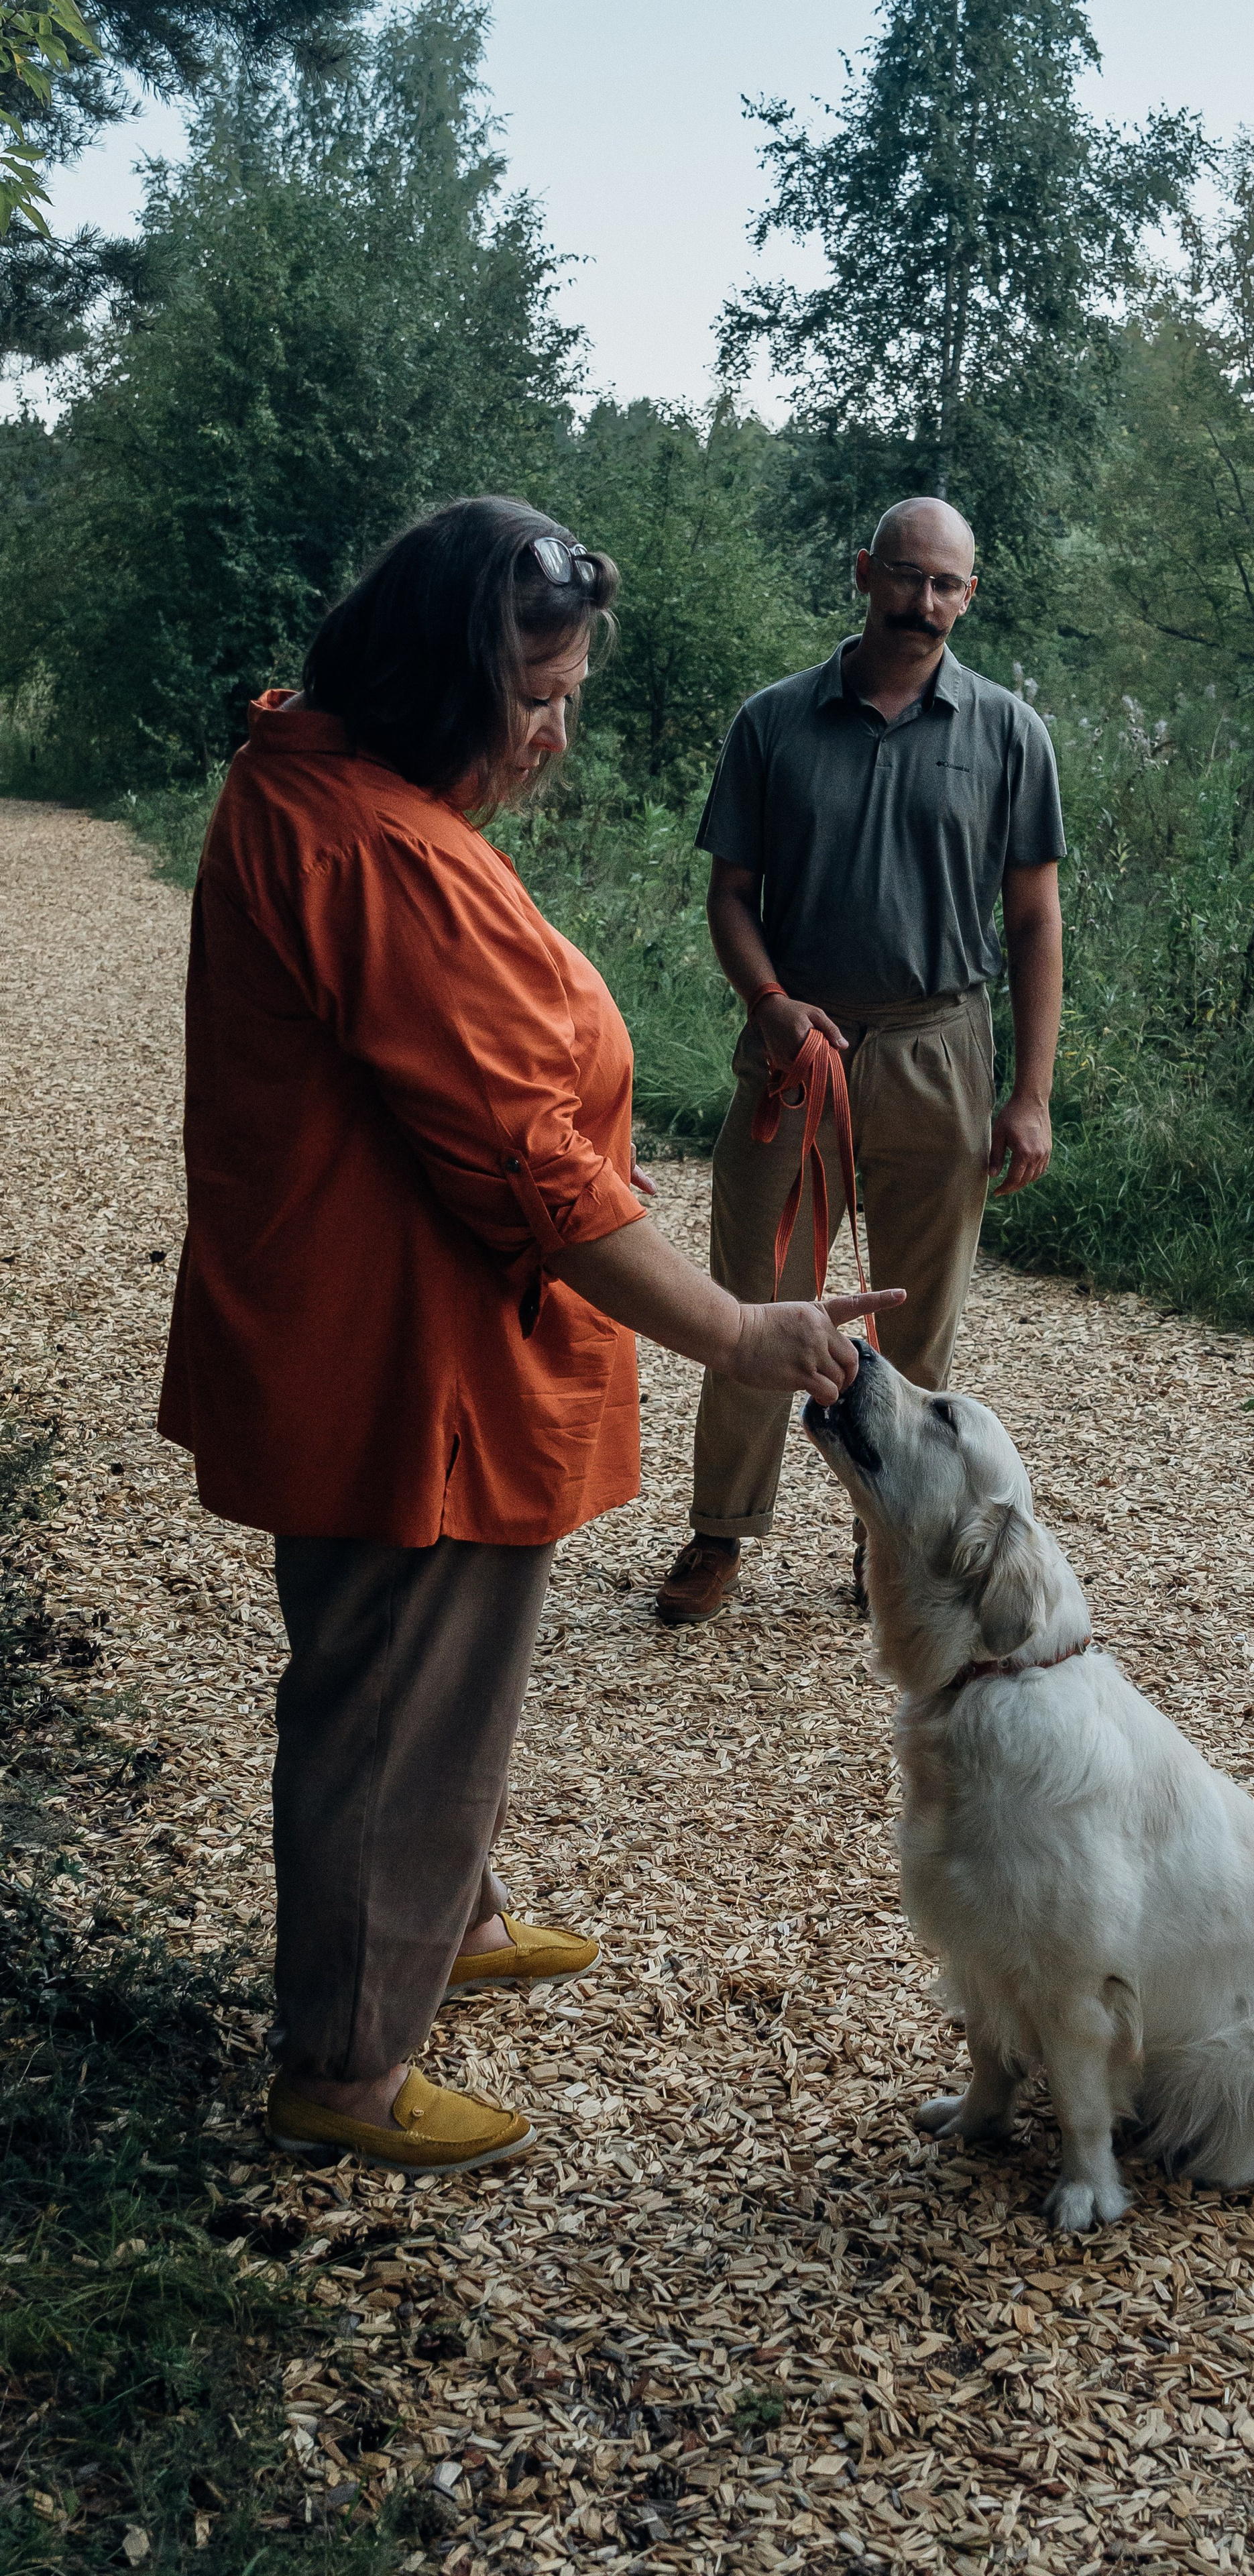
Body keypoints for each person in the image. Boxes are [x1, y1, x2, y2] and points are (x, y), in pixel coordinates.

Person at [158, 497, 900, 2174]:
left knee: (443, 1666)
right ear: (438, 680)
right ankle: (343, 2067)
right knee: (390, 1692)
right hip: (395, 1351)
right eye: (535, 698)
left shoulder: (338, 781)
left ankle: (449, 1919)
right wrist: (735, 1327)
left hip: (411, 1334)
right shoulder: (368, 844)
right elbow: (536, 1174)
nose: (554, 733)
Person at [654, 496, 1065, 1626]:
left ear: (969, 596)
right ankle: (720, 1531)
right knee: (755, 1297)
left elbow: (1034, 919)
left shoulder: (1007, 731)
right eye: (905, 576)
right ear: (864, 573)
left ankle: (886, 1540)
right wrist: (773, 1003)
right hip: (798, 1052)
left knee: (917, 1320)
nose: (923, 602)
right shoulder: (776, 722)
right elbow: (730, 896)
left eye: (946, 585)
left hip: (941, 1044)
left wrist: (1030, 1093)